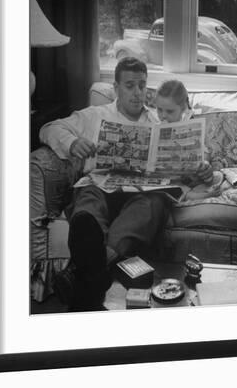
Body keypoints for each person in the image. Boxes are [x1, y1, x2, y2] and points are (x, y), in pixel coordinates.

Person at [39, 57, 168, 311]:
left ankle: (86, 273)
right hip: (101, 186)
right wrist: (73, 143)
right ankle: (99, 270)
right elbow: (48, 128)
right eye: (130, 86)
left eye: (142, 86)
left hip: (139, 195)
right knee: (89, 201)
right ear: (116, 88)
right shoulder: (94, 115)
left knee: (153, 204)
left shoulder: (157, 122)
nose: (137, 93)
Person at [155, 79, 213, 186]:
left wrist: (204, 165)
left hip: (188, 180)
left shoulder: (194, 126)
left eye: (169, 111)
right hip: (163, 180)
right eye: (159, 110)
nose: (163, 115)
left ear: (183, 109)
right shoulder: (155, 126)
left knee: (216, 176)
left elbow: (205, 155)